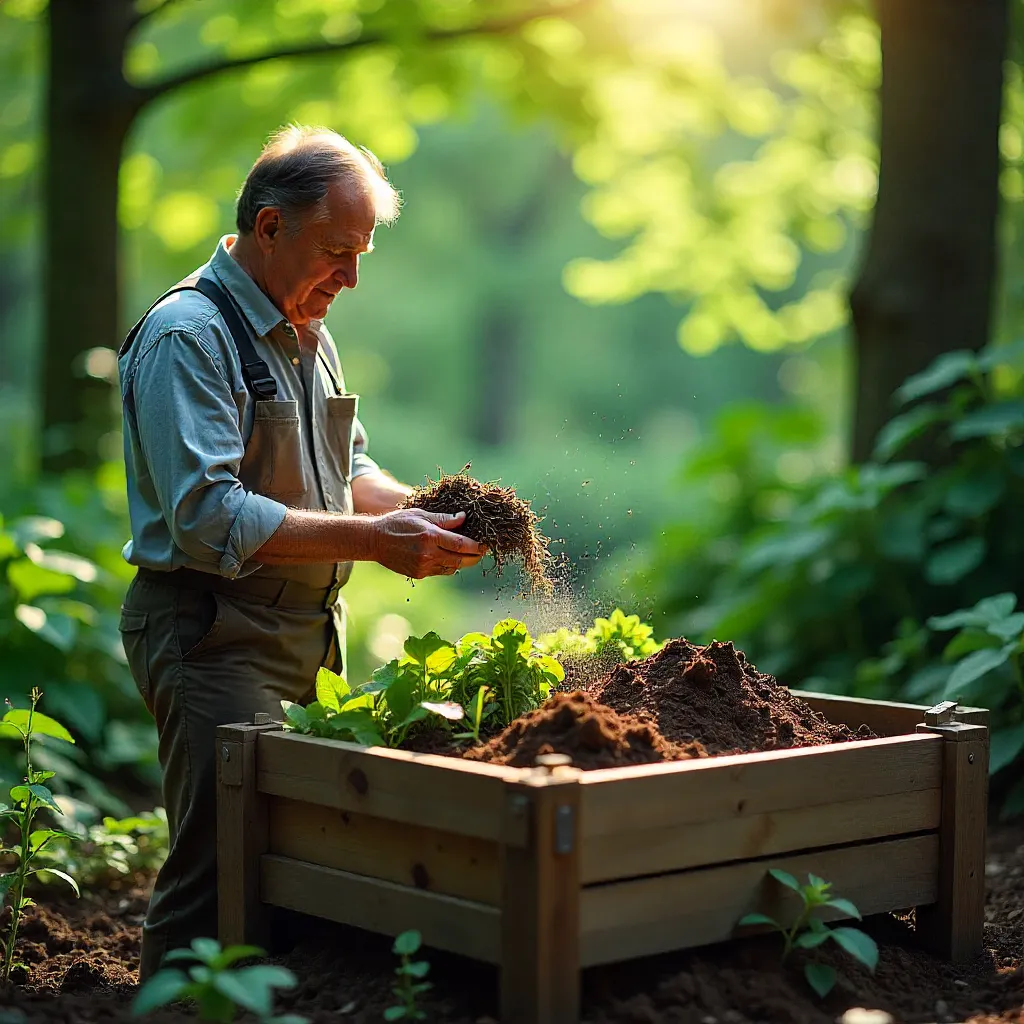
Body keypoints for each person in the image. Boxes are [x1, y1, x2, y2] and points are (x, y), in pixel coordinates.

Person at [116, 125, 486, 980]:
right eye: (336, 251)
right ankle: (173, 1003)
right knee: (218, 869)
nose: (350, 279)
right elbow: (206, 515)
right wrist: (374, 542)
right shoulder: (190, 335)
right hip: (213, 633)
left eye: (361, 255)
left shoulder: (306, 329)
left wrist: (426, 512)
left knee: (293, 864)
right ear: (269, 226)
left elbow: (346, 468)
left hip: (307, 636)